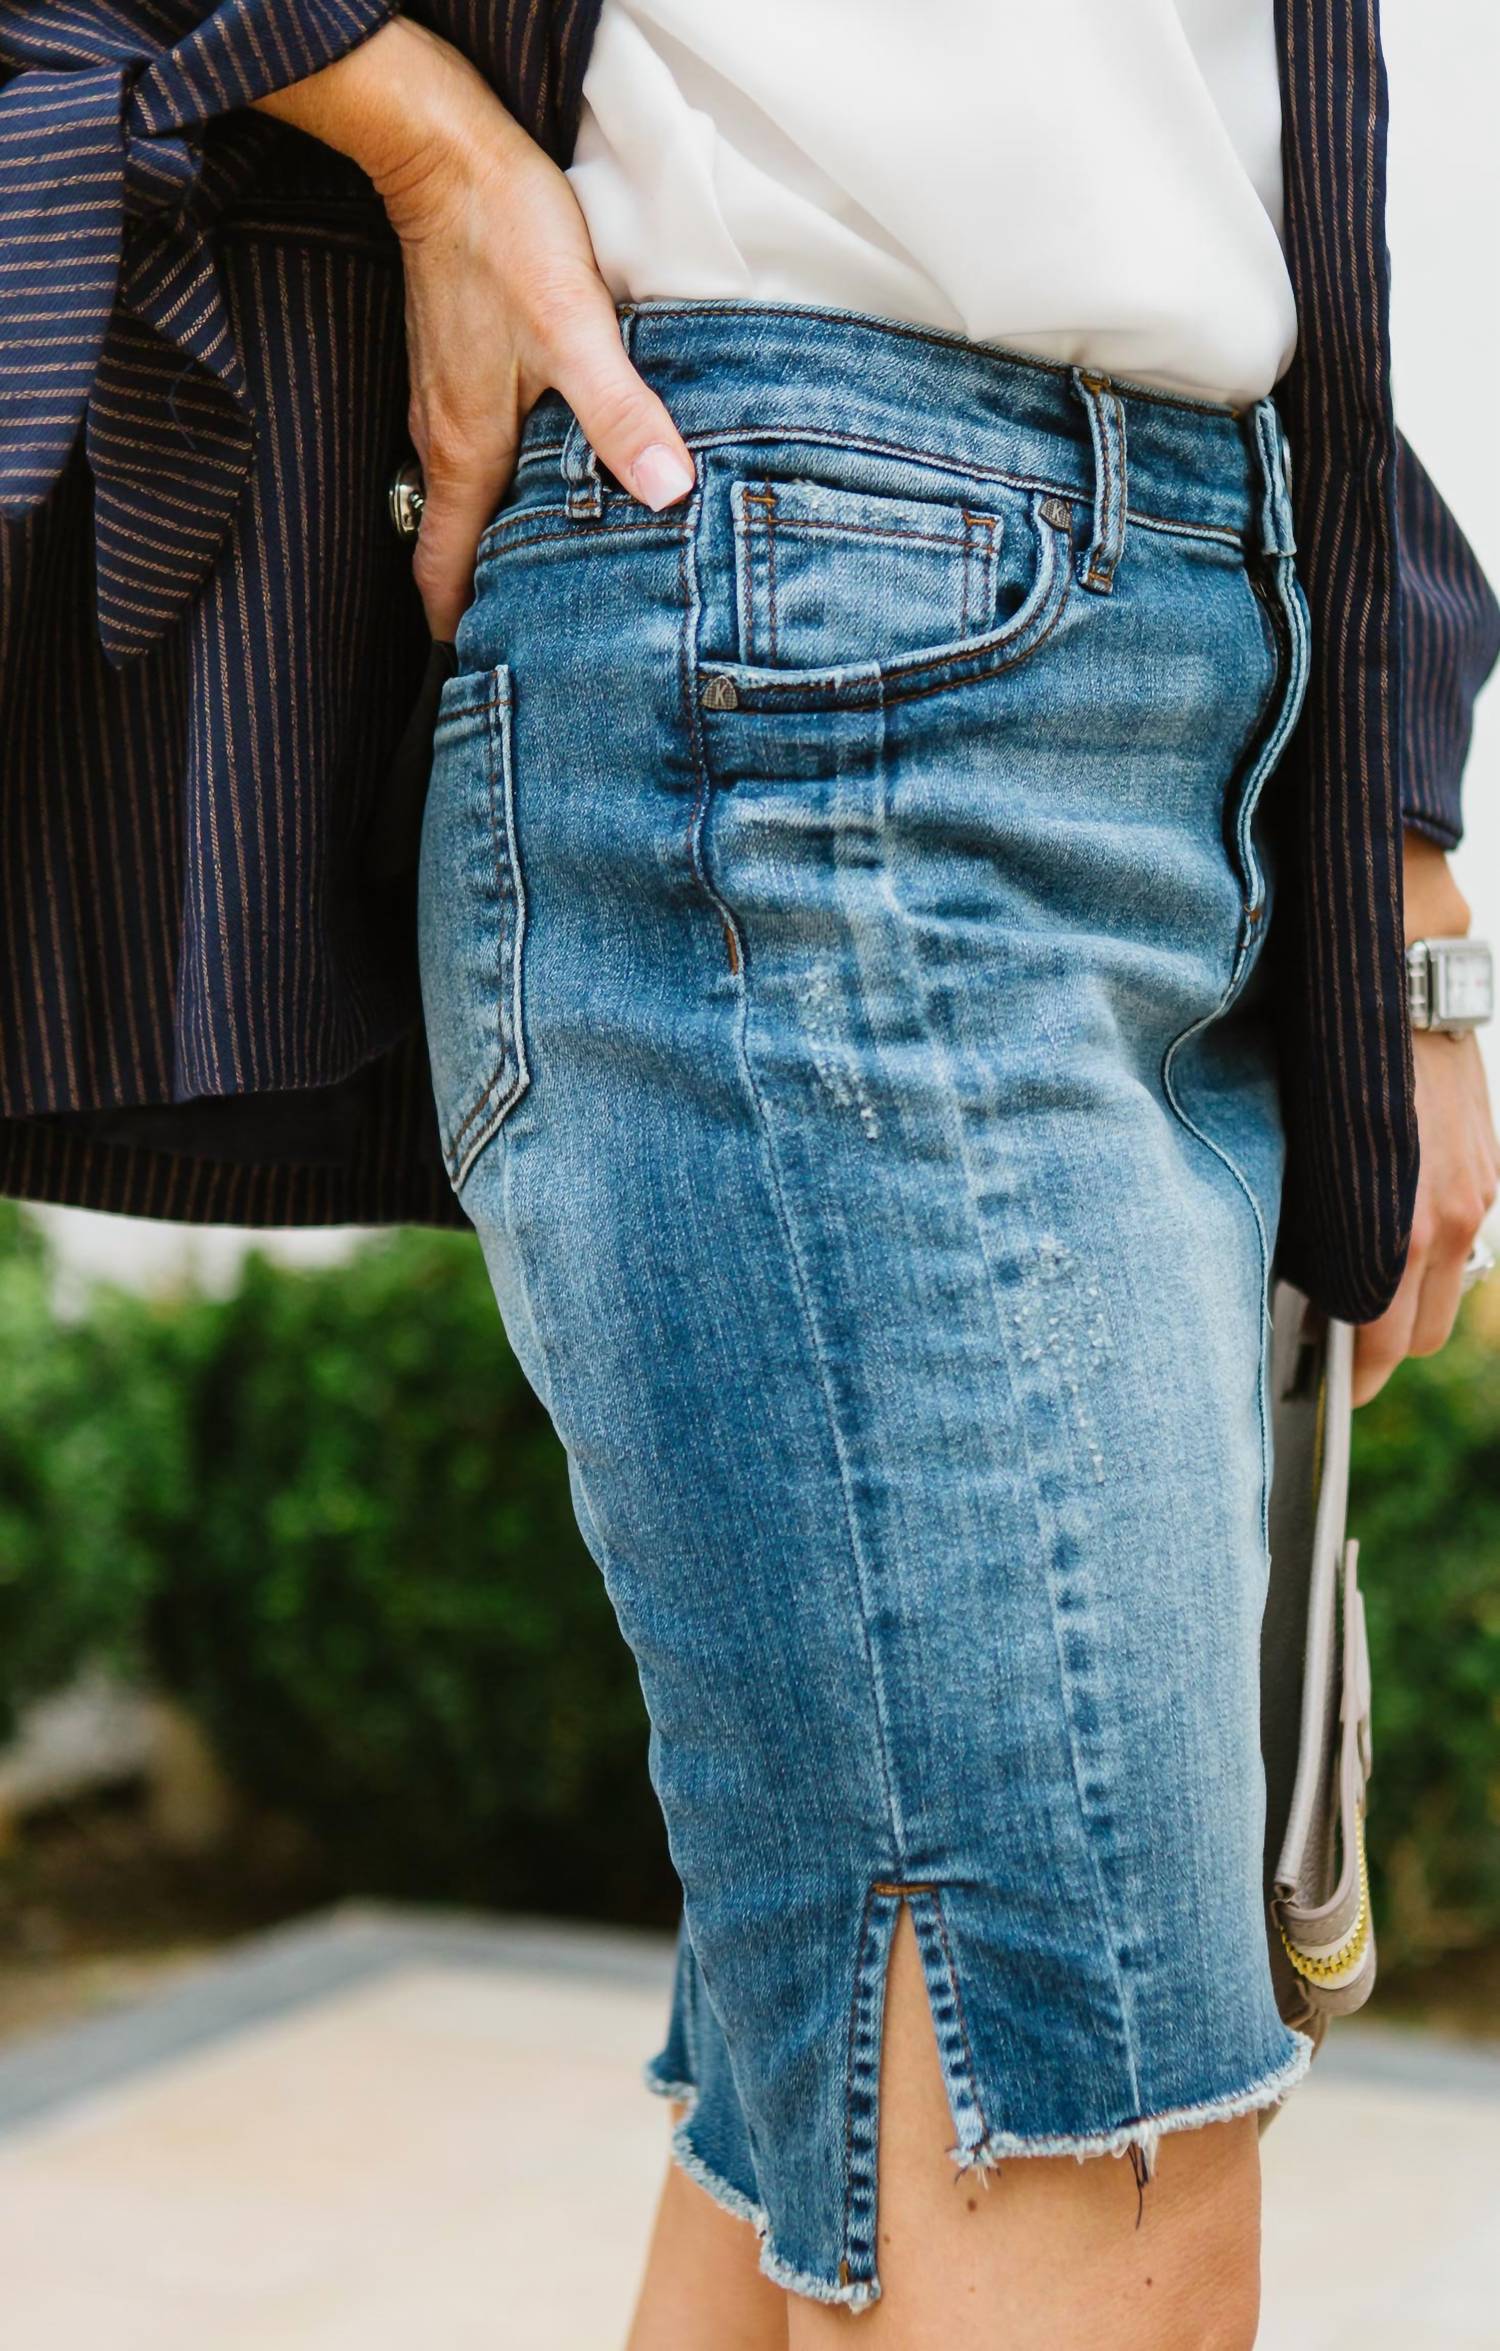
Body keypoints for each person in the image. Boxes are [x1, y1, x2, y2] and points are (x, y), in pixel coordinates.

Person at [1, 2, 1497, 2345]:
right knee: (1069, 2113)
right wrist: (421, 134)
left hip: (1208, 649)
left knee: (868, 2114)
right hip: (801, 617)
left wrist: (1396, 855)